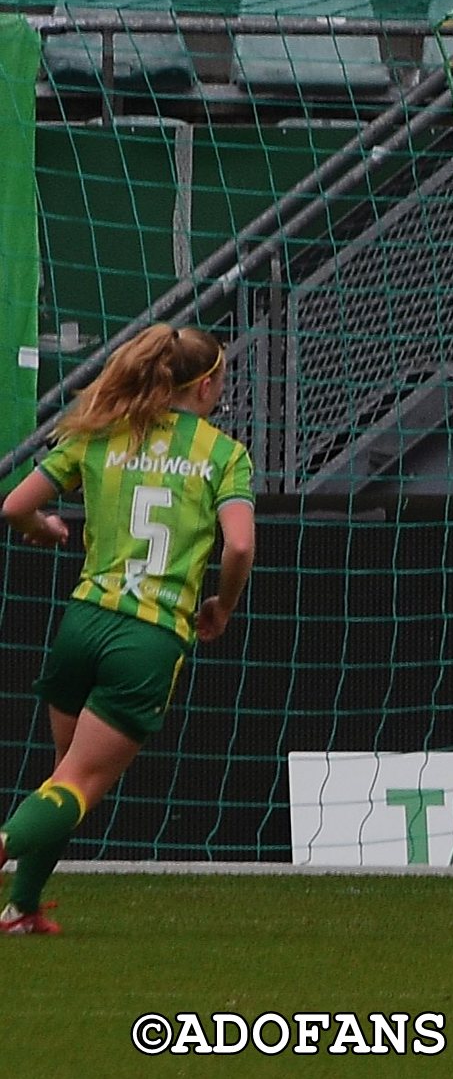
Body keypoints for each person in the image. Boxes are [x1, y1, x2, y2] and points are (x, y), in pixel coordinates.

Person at [0, 324, 254, 934]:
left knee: (64, 775)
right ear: (208, 383)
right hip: (147, 637)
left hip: (83, 622)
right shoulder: (222, 453)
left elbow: (12, 505)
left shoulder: (98, 433)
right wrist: (222, 605)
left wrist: (42, 529)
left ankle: (21, 910)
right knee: (81, 783)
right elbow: (240, 544)